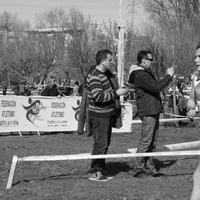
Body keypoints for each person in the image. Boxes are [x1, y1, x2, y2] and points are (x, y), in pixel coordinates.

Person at [128, 50, 175, 177]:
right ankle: (138, 169)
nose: (152, 62)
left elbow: (157, 86)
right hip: (148, 111)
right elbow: (156, 87)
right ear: (143, 61)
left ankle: (150, 167)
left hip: (153, 110)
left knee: (152, 142)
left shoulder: (145, 74)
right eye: (150, 60)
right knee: (146, 141)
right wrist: (169, 76)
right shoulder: (140, 75)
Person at [85, 49, 128, 181]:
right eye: (110, 60)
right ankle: (95, 171)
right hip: (99, 115)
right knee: (100, 143)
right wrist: (117, 94)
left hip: (106, 114)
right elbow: (98, 97)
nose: (112, 62)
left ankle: (100, 169)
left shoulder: (106, 75)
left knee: (105, 143)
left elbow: (113, 86)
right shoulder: (94, 76)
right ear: (103, 61)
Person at [187, 43, 200, 200]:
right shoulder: (196, 78)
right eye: (196, 57)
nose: (196, 60)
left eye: (199, 57)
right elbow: (191, 99)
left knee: (198, 178)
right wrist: (191, 109)